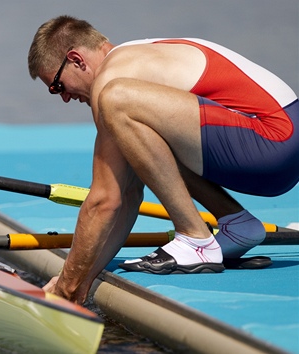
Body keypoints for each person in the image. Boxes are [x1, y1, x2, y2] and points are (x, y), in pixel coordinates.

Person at [28, 15, 299, 304]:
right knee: (141, 140)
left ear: (76, 59)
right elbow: (128, 194)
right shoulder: (138, 55)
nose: (64, 98)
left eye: (57, 86)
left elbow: (106, 200)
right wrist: (80, 280)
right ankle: (237, 224)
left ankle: (194, 237)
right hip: (282, 145)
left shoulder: (113, 79)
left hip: (273, 142)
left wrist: (66, 288)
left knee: (115, 98)